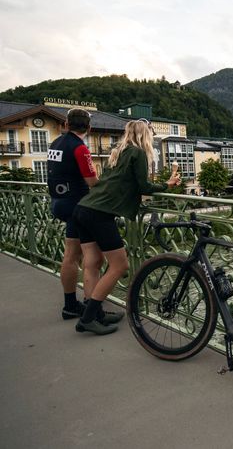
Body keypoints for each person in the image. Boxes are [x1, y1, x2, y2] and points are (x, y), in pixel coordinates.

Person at [72, 119, 181, 335]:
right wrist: (166, 185)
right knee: (120, 266)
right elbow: (144, 186)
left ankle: (96, 313)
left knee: (93, 262)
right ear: (145, 135)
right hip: (100, 214)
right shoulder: (137, 153)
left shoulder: (117, 152)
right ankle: (87, 318)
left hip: (83, 209)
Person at [47, 108, 102, 320]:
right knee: (80, 255)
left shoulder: (55, 144)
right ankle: (86, 307)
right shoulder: (80, 149)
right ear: (88, 128)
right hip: (76, 205)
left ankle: (71, 303)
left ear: (66, 125)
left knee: (71, 254)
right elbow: (91, 182)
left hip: (58, 202)